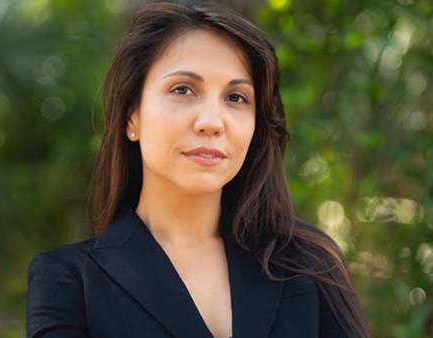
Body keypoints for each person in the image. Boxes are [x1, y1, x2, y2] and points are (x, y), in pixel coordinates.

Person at [26, 1, 371, 337]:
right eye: (183, 89)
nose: (211, 122)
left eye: (236, 97)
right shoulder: (68, 281)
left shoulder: (309, 265)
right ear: (132, 115)